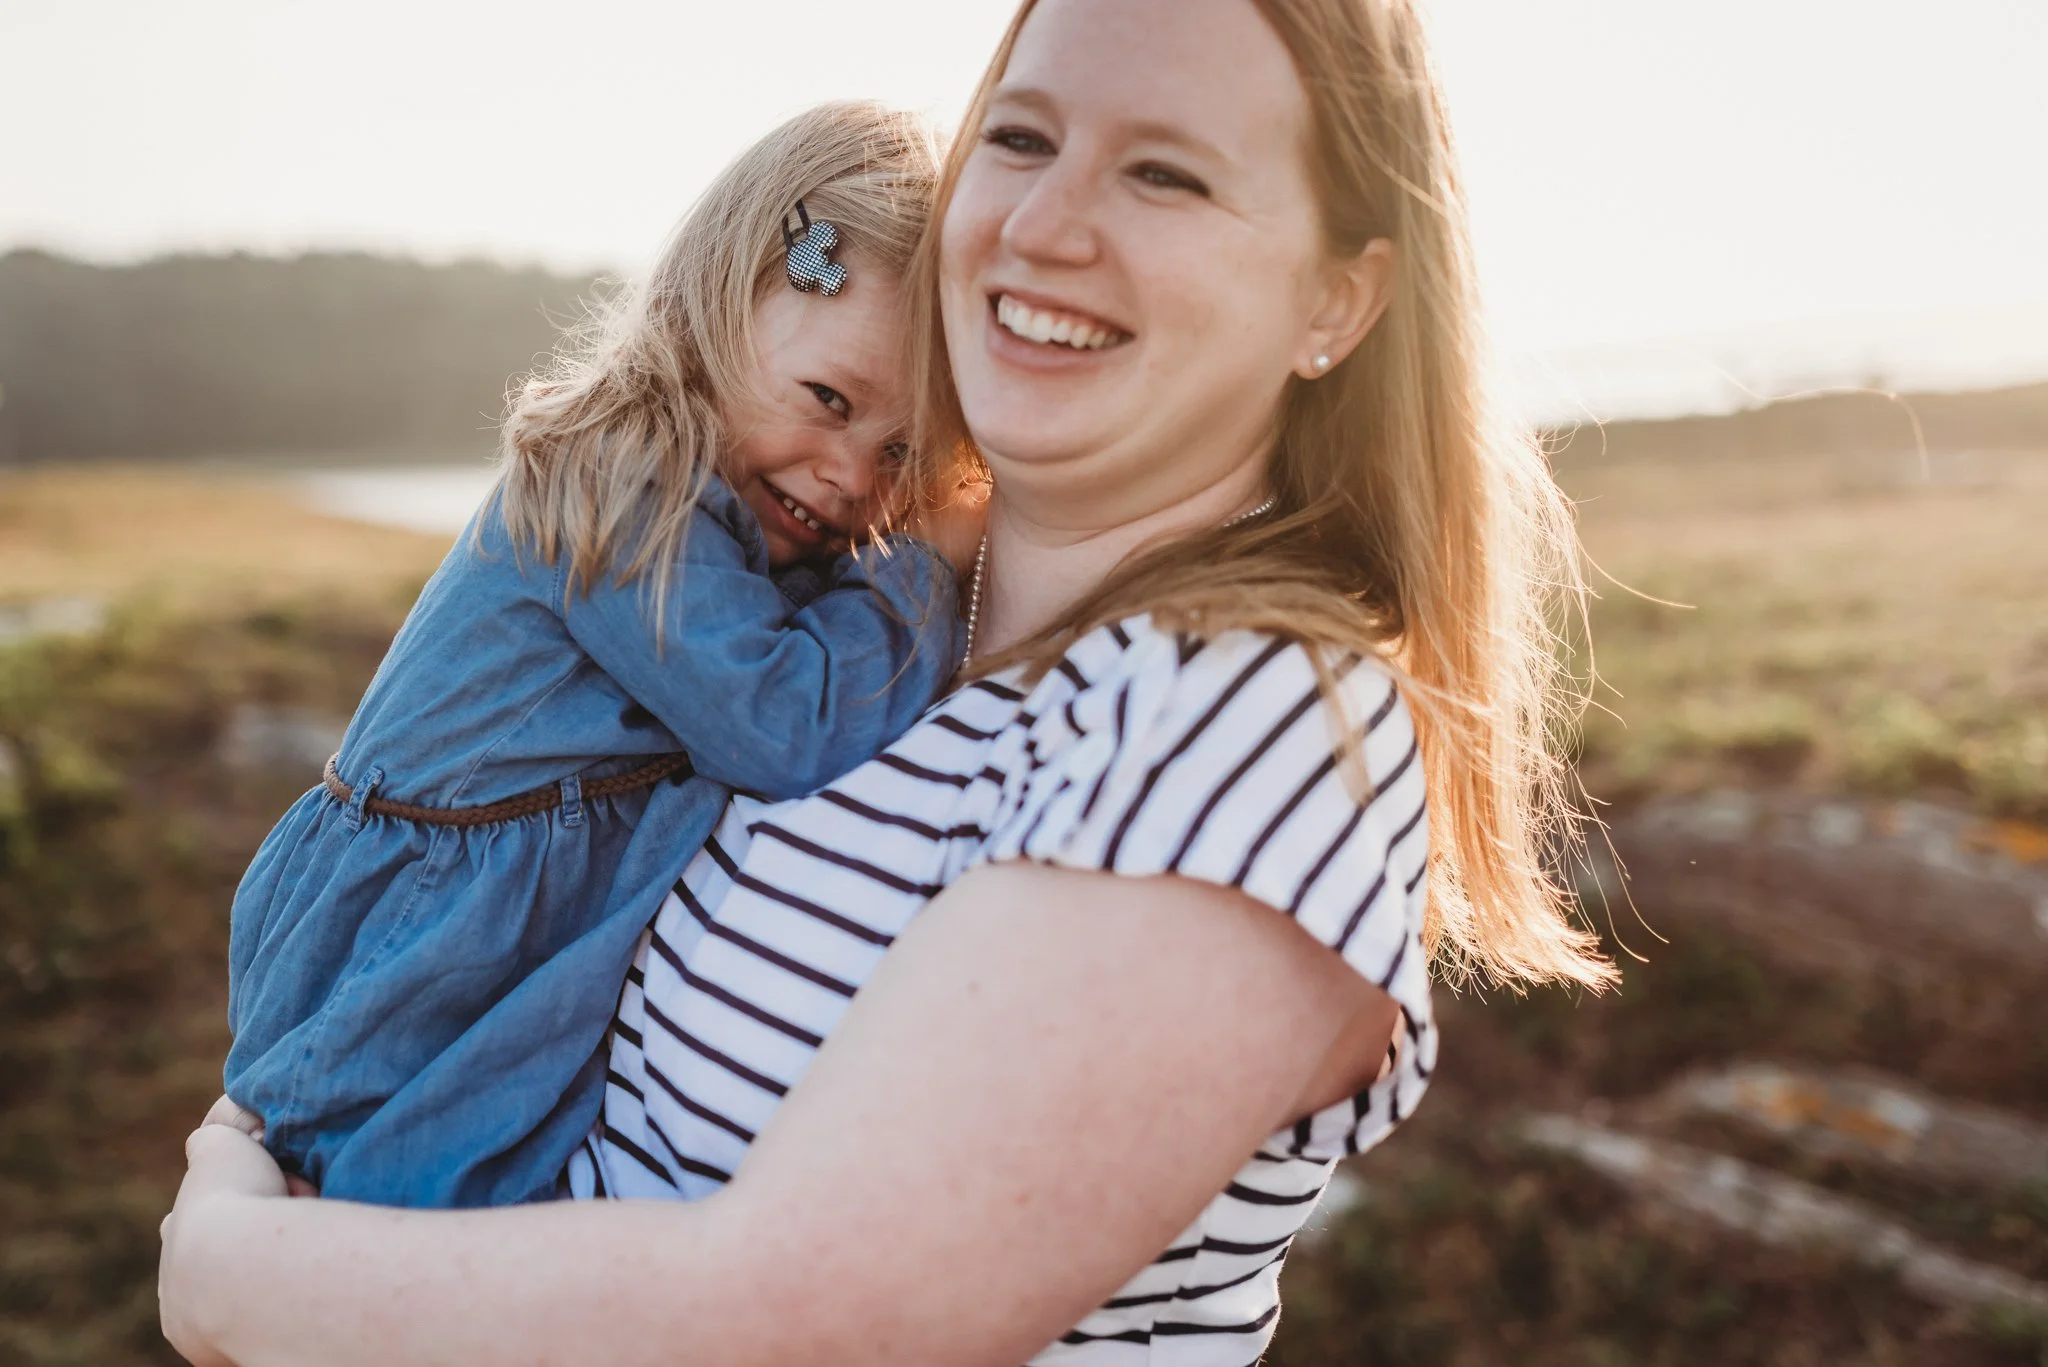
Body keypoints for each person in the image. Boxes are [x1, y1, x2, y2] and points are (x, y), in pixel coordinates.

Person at [161, 0, 1618, 1360]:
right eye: (1024, 135)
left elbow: (802, 1317)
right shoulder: (875, 608)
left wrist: (232, 1262)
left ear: (1339, 300)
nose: (1047, 222)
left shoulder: (1247, 714)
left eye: (1165, 174)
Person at [221, 101, 975, 1209]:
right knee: (382, 1230)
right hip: (421, 962)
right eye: (828, 400)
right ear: (722, 300)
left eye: (902, 450)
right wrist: (926, 556)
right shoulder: (622, 480)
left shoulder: (735, 505)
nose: (851, 476)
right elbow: (784, 720)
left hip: (487, 952)